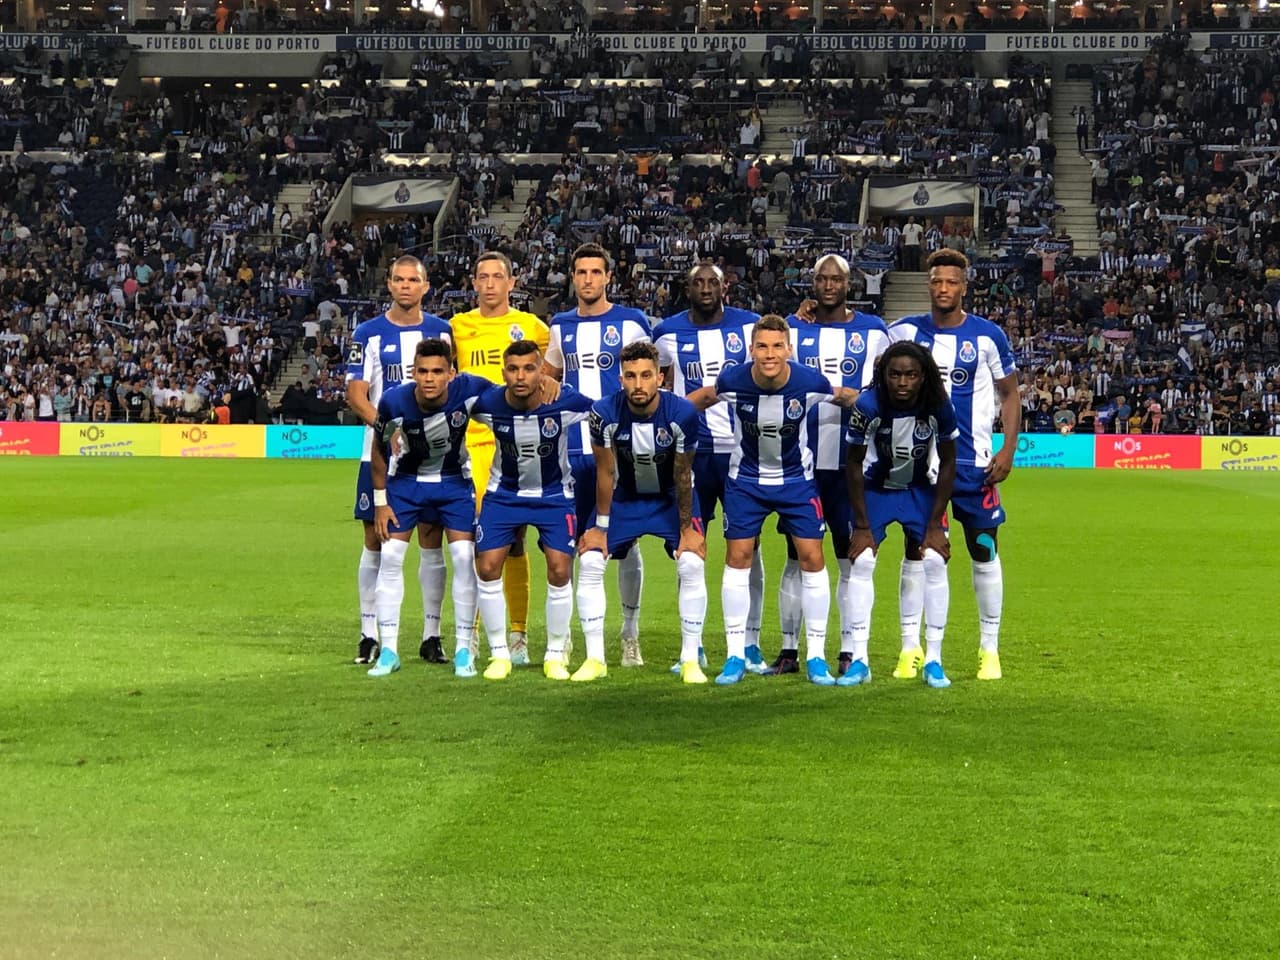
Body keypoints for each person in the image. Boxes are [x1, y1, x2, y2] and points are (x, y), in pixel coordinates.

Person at [687, 315, 857, 686]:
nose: (769, 354)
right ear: (751, 350)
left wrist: (882, 409)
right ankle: (735, 655)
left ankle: (815, 658)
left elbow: (845, 397)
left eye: (777, 346)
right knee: (738, 558)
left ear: (789, 349)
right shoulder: (733, 379)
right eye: (762, 346)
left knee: (812, 558)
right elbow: (699, 399)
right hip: (745, 481)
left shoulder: (809, 381)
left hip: (797, 482)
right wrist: (666, 418)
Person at [888, 249, 1021, 681]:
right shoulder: (905, 332)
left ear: (964, 286)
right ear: (929, 285)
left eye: (951, 282)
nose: (943, 289)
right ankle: (913, 648)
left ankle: (990, 648)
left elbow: (1010, 394)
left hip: (974, 464)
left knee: (984, 551)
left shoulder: (987, 337)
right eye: (936, 281)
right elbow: (862, 333)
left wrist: (1008, 449)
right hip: (920, 466)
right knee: (919, 554)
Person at [776, 253, 890, 677]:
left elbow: (886, 389)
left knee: (849, 555)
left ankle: (848, 648)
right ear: (812, 283)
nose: (828, 285)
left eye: (836, 279)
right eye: (821, 278)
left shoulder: (874, 332)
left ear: (849, 285)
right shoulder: (795, 329)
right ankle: (790, 649)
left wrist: (854, 397)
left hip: (850, 462)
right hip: (801, 461)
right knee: (795, 554)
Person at [654, 263, 769, 673]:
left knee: (748, 549)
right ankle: (695, 645)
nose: (705, 289)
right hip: (692, 454)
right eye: (698, 283)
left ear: (726, 286)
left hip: (740, 452)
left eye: (712, 283)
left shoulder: (750, 327)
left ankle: (750, 644)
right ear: (687, 288)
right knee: (691, 549)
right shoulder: (666, 333)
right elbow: (657, 381)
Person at [543, 243, 652, 667]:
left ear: (608, 277)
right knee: (570, 545)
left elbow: (653, 381)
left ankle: (629, 634)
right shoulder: (560, 326)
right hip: (571, 452)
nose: (588, 279)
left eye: (596, 272)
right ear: (572, 277)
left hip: (621, 451)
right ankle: (568, 635)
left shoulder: (632, 321)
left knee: (625, 544)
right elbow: (548, 380)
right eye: (581, 272)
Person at [575, 341, 709, 684]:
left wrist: (686, 529)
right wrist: (600, 528)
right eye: (631, 376)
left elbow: (682, 475)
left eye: (646, 375)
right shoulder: (604, 413)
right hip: (626, 497)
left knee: (691, 561)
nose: (638, 384)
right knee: (590, 560)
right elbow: (605, 472)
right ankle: (595, 660)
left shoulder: (682, 414)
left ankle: (690, 659)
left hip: (669, 499)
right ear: (621, 378)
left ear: (660, 378)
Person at [345, 256, 453, 666]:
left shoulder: (442, 331)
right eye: (398, 279)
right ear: (388, 285)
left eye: (414, 280)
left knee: (431, 537)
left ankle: (431, 634)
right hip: (378, 453)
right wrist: (391, 430)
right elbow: (357, 394)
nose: (406, 286)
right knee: (376, 539)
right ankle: (368, 633)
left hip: (435, 456)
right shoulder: (368, 333)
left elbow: (452, 384)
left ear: (426, 287)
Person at [469, 340, 594, 681]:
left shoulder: (565, 401)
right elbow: (452, 399)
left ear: (542, 371)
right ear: (503, 373)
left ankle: (555, 654)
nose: (521, 376)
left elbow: (605, 413)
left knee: (558, 570)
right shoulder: (489, 403)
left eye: (529, 368)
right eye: (513, 369)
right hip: (503, 495)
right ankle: (499, 655)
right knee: (488, 566)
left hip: (554, 496)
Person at [365, 339, 489, 679]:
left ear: (451, 373)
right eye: (423, 371)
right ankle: (388, 650)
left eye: (437, 371)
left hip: (453, 482)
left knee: (465, 558)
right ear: (412, 372)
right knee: (390, 558)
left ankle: (465, 649)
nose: (430, 378)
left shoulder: (471, 389)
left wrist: (550, 384)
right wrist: (380, 502)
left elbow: (511, 402)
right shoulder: (393, 401)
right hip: (406, 483)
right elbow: (378, 450)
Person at [449, 251, 550, 667]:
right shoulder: (456, 328)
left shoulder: (533, 328)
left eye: (498, 277)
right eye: (482, 277)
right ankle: (471, 633)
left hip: (519, 446)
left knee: (517, 540)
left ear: (512, 282)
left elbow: (553, 376)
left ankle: (518, 634)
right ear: (473, 283)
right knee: (476, 542)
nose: (490, 284)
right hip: (471, 448)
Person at [838, 342, 958, 689]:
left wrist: (935, 524)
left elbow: (949, 461)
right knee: (861, 562)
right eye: (895, 374)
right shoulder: (868, 405)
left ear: (923, 377)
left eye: (911, 375)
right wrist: (861, 525)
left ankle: (933, 660)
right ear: (883, 375)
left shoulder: (938, 405)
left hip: (920, 489)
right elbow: (854, 462)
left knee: (935, 560)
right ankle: (860, 660)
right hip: (877, 488)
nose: (902, 382)